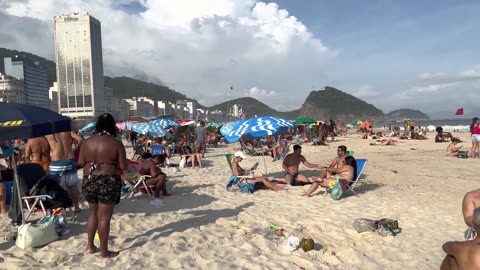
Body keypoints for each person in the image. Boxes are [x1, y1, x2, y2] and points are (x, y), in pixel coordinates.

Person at [78, 113, 127, 259]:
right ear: (112, 126)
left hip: (89, 180)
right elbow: (124, 166)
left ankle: (90, 246)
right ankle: (104, 252)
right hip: (108, 180)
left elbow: (80, 162)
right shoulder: (116, 143)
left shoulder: (87, 142)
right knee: (104, 217)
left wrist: (94, 162)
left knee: (92, 213)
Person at [45, 122, 84, 212]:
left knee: (57, 187)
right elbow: (81, 139)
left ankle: (61, 208)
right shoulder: (68, 132)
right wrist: (77, 148)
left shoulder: (50, 133)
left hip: (57, 162)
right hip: (69, 160)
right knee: (73, 186)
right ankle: (77, 207)